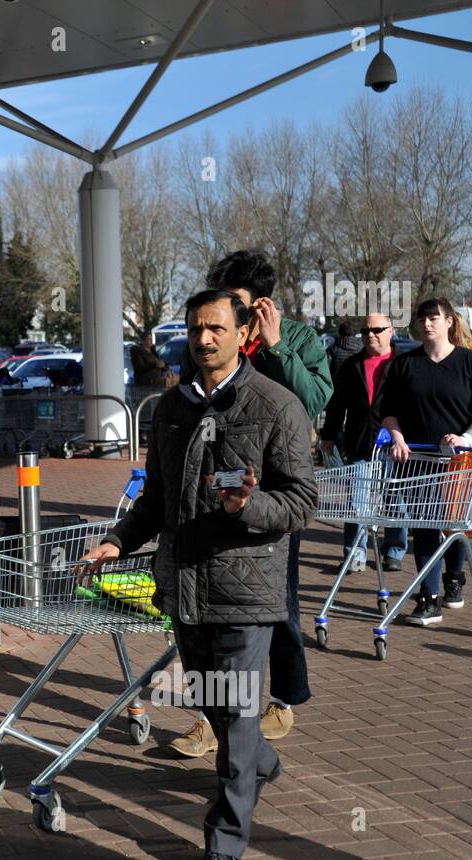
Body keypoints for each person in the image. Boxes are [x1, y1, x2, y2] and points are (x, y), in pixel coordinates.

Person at [80, 289, 317, 860]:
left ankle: (223, 845)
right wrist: (117, 539)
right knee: (216, 705)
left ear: (242, 334)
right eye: (194, 330)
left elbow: (302, 501)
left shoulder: (277, 405)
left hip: (245, 594)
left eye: (215, 328)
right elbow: (155, 497)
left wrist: (248, 506)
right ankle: (261, 762)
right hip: (183, 591)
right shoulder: (170, 409)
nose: (203, 339)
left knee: (235, 716)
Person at [172, 250, 331, 754]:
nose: (222, 323)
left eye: (237, 307)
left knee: (275, 602)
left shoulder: (299, 338)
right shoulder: (208, 336)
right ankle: (210, 718)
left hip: (271, 493)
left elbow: (312, 402)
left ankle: (283, 697)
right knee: (200, 610)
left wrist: (278, 345)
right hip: (206, 491)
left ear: (259, 305)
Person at [378, 299, 472, 626]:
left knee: (454, 525)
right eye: (422, 318)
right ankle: (429, 599)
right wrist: (396, 437)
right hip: (416, 459)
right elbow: (388, 409)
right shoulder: (405, 364)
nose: (427, 323)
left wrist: (467, 437)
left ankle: (454, 578)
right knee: (425, 527)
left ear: (448, 322)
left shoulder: (471, 362)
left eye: (434, 318)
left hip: (458, 460)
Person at [320, 312, 407, 573]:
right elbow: (337, 404)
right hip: (359, 440)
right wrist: (328, 434)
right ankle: (354, 553)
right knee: (356, 501)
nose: (371, 335)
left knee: (396, 500)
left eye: (377, 330)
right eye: (366, 330)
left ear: (390, 331)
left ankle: (393, 550)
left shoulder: (403, 363)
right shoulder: (351, 365)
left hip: (395, 444)